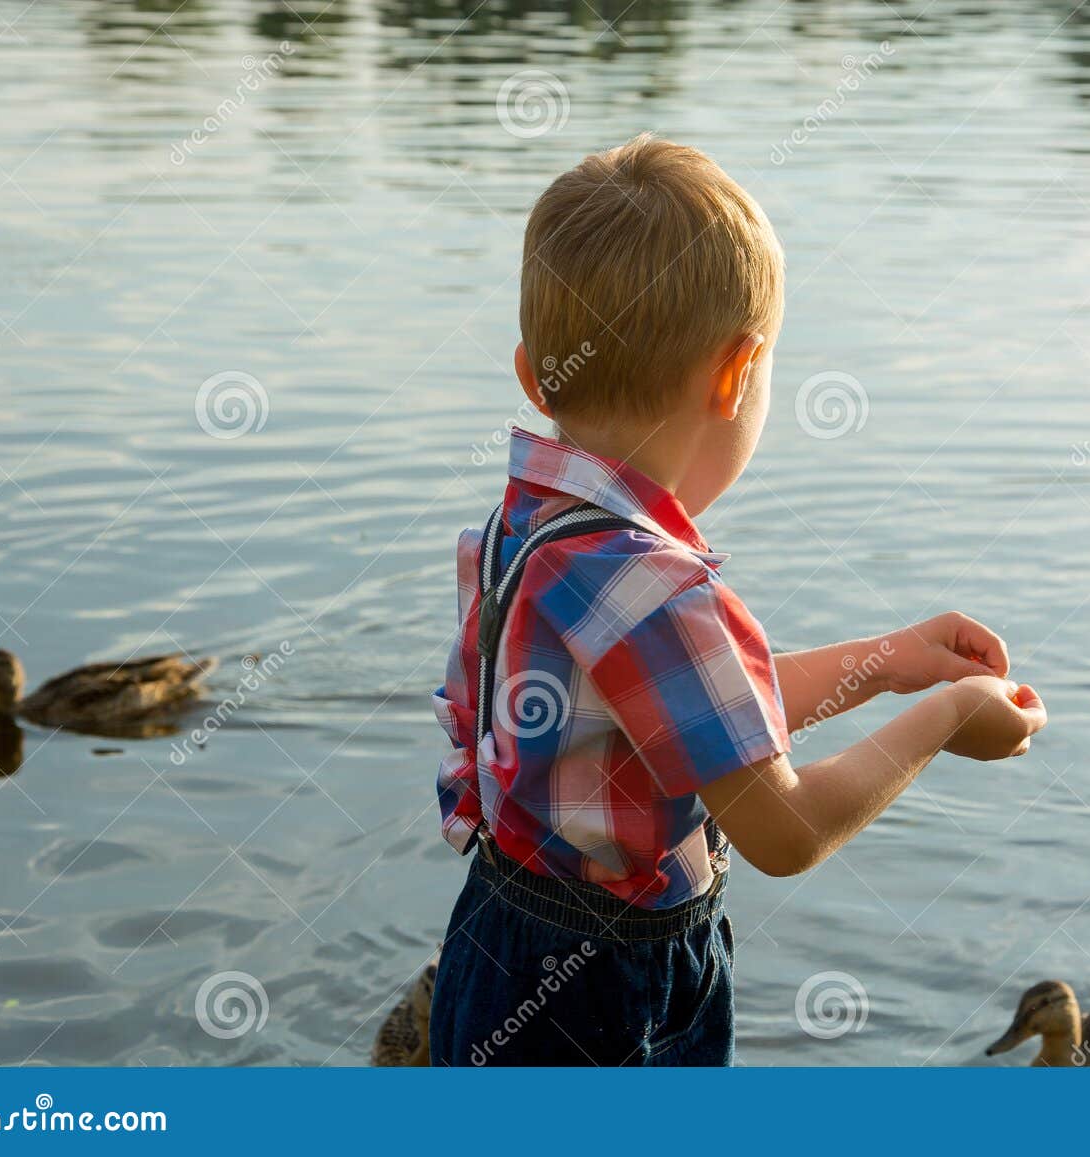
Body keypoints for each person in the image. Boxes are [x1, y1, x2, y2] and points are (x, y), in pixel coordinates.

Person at [428, 135, 1047, 1066]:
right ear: (736, 374)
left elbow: (690, 724)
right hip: (603, 997)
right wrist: (948, 713)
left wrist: (889, 663)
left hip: (497, 946)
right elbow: (784, 830)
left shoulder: (533, 528)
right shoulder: (655, 585)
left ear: (533, 374)